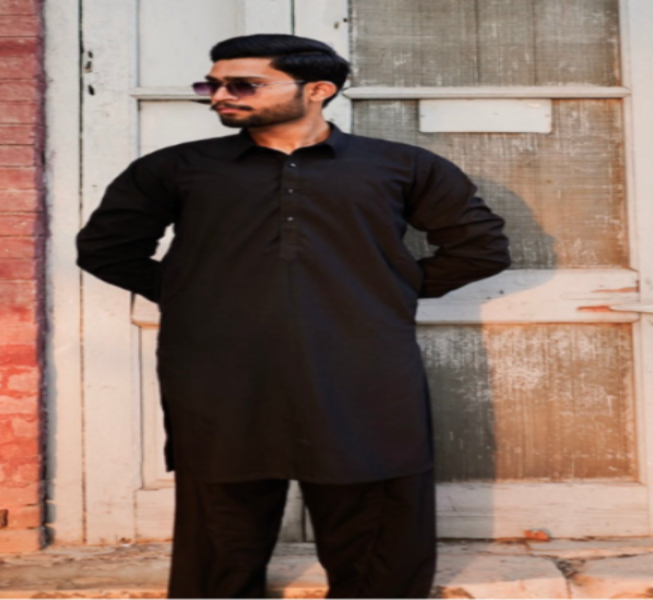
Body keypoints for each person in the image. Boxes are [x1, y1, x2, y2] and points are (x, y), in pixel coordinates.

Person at [76, 33, 511, 600]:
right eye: (213, 84)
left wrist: (385, 290)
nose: (219, 96)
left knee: (375, 497)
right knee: (222, 509)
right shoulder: (177, 168)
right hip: (218, 369)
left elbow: (481, 248)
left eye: (242, 84)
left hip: (361, 363)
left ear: (319, 90)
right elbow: (105, 248)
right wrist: (193, 292)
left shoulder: (400, 167)